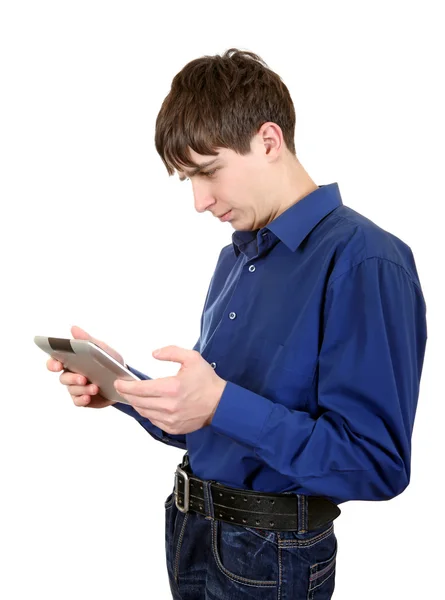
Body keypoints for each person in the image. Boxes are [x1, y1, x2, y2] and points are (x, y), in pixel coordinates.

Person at [46, 48, 427, 599]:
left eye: (208, 172)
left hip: (271, 558)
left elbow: (376, 463)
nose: (200, 201)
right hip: (192, 534)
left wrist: (221, 403)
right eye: (187, 180)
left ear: (268, 141)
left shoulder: (366, 260)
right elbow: (215, 419)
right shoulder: (238, 256)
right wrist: (126, 390)